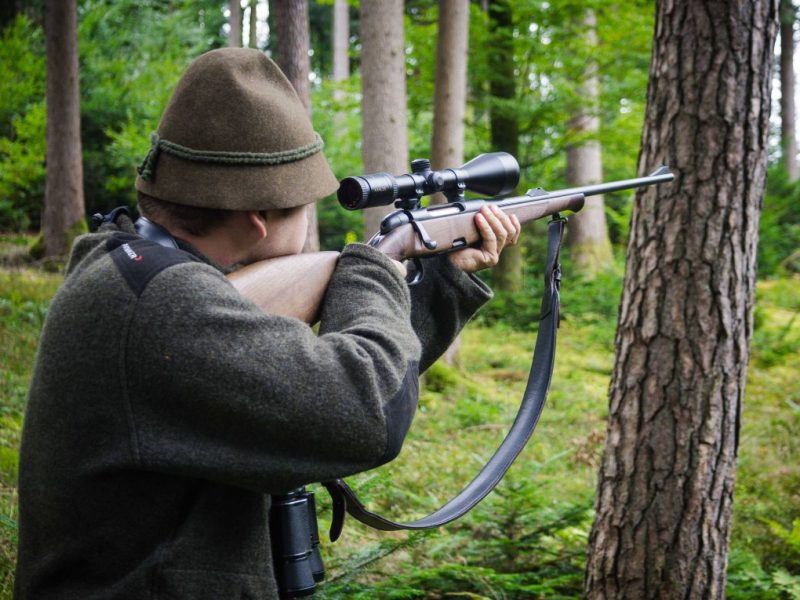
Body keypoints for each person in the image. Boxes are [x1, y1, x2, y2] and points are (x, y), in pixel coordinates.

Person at [14, 48, 520, 600]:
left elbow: (330, 394)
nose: (311, 224)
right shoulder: (165, 304)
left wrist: (440, 279)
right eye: (306, 207)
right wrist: (373, 266)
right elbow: (365, 413)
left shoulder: (131, 273)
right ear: (258, 223)